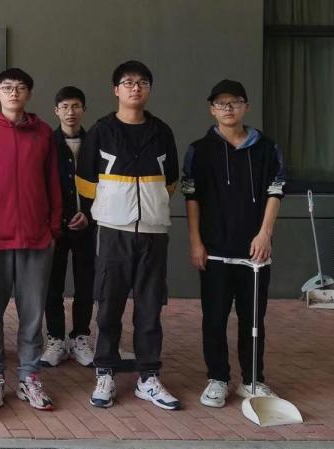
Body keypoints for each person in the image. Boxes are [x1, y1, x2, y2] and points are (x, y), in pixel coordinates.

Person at [76, 60, 181, 411]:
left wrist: (149, 206)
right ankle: (105, 371)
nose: (136, 88)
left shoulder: (162, 131)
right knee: (109, 305)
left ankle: (148, 377)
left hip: (153, 232)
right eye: (128, 82)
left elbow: (170, 182)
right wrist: (113, 206)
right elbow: (85, 181)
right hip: (113, 231)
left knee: (150, 308)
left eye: (142, 83)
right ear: (115, 90)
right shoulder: (101, 131)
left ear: (149, 89)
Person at [182, 79, 286, 408]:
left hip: (254, 251)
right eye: (221, 103)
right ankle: (218, 379)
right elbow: (191, 198)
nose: (228, 108)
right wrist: (196, 242)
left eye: (235, 102)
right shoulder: (199, 150)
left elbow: (275, 192)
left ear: (246, 106)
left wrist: (265, 234)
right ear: (211, 109)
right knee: (214, 318)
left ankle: (252, 380)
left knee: (253, 319)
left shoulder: (266, 148)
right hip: (214, 250)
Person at [0, 68, 61, 411]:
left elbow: (53, 183)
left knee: (32, 315)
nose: (13, 93)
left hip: (37, 238)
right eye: (7, 88)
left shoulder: (43, 133)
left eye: (20, 88)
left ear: (29, 94)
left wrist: (53, 229)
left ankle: (29, 377)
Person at [41, 86, 95, 368]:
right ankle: (56, 339)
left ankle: (80, 337)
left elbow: (103, 183)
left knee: (86, 283)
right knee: (53, 285)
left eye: (75, 106)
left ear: (83, 109)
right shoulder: (47, 143)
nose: (70, 112)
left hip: (88, 225)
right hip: (56, 227)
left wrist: (88, 213)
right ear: (56, 111)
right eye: (64, 107)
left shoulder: (95, 142)